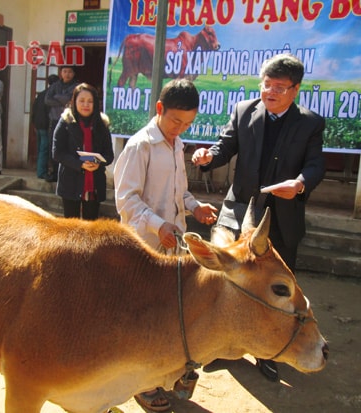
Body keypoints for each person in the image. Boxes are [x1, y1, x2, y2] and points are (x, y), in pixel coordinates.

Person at [191, 53, 325, 382]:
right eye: (266, 84)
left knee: (276, 289)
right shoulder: (244, 111)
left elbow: (315, 165)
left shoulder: (310, 122)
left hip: (281, 217)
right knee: (225, 283)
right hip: (239, 213)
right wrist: (208, 156)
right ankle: (224, 348)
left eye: (279, 87)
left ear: (295, 89)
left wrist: (300, 183)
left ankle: (268, 354)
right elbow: (225, 146)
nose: (270, 92)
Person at [113, 79, 218, 412]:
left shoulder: (176, 144)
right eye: (175, 121)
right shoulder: (139, 146)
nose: (180, 129)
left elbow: (178, 193)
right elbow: (126, 201)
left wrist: (195, 206)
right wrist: (158, 226)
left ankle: (164, 374)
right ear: (159, 109)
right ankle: (143, 385)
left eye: (187, 123)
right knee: (144, 321)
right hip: (143, 252)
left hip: (173, 248)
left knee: (168, 318)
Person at [51, 83, 114, 220]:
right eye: (82, 101)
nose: (86, 105)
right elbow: (57, 152)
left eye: (90, 101)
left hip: (94, 184)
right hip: (70, 182)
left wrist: (97, 163)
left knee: (90, 229)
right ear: (74, 101)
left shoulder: (102, 124)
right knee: (72, 229)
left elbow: (109, 155)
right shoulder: (66, 121)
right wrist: (80, 164)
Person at [45, 66, 79, 182]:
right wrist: (63, 100)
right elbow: (47, 100)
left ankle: (65, 175)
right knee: (53, 148)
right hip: (55, 120)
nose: (67, 74)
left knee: (68, 149)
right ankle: (53, 172)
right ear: (61, 73)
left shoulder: (76, 87)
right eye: (65, 71)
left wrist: (57, 97)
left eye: (70, 72)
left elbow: (71, 100)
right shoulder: (55, 85)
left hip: (70, 122)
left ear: (73, 74)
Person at [31, 74, 59, 179]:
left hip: (38, 125)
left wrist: (34, 123)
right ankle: (42, 172)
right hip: (46, 126)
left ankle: (41, 170)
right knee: (45, 149)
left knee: (40, 149)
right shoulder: (52, 96)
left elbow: (34, 109)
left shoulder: (41, 94)